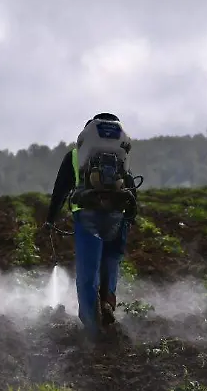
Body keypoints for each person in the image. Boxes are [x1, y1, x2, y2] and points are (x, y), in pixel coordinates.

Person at [44, 113, 139, 339]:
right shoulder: (120, 154)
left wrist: (50, 219)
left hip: (87, 218)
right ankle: (107, 301)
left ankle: (91, 327)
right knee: (111, 263)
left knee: (88, 273)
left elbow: (60, 190)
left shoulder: (76, 157)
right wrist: (130, 217)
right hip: (117, 215)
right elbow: (130, 187)